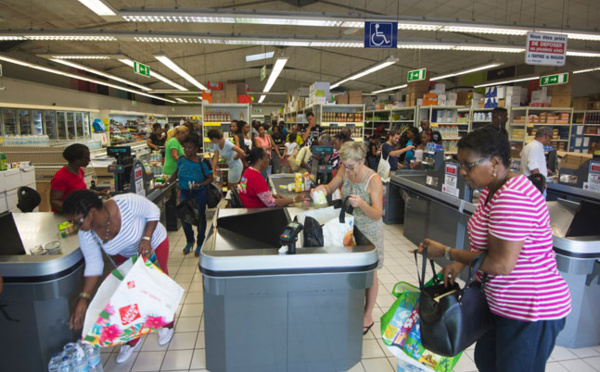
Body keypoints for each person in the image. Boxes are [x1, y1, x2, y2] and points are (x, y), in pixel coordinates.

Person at [414, 128, 571, 372]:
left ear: (495, 162)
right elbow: (488, 245)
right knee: (487, 362)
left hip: (529, 308)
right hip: (499, 303)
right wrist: (463, 264)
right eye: (460, 164)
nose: (463, 172)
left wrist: (448, 252)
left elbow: (501, 263)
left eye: (469, 165)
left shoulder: (514, 197)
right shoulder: (491, 191)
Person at [63, 190, 176, 364]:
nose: (75, 225)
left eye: (77, 221)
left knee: (158, 286)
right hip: (126, 255)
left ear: (92, 211)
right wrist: (83, 299)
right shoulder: (87, 234)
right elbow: (94, 264)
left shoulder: (126, 203)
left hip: (153, 243)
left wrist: (146, 238)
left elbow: (153, 211)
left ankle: (167, 323)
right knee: (128, 297)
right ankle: (132, 339)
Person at [312, 142, 384, 336]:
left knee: (371, 274)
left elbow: (377, 214)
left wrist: (361, 204)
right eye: (344, 164)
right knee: (352, 271)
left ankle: (367, 316)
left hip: (369, 231)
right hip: (349, 228)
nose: (347, 168)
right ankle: (350, 306)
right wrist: (321, 190)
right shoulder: (344, 170)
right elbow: (330, 186)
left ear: (362, 160)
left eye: (351, 165)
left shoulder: (373, 180)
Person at [168, 134, 213, 256]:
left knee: (200, 218)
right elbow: (175, 174)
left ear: (196, 148)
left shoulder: (203, 162)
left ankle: (200, 243)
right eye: (185, 147)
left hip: (199, 193)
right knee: (185, 218)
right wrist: (166, 183)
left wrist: (200, 184)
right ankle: (190, 240)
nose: (187, 150)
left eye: (190, 147)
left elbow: (210, 178)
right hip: (184, 192)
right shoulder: (181, 160)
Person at [238, 148, 303, 208]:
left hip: (249, 207)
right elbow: (271, 203)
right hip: (257, 212)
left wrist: (272, 195)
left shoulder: (247, 171)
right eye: (267, 157)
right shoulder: (256, 178)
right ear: (260, 160)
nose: (268, 160)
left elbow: (256, 193)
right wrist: (294, 199)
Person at [50, 144, 91, 212]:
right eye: (86, 158)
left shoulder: (80, 171)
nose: (89, 160)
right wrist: (72, 210)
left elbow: (79, 190)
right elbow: (54, 201)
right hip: (64, 216)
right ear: (76, 160)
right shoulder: (61, 177)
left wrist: (96, 193)